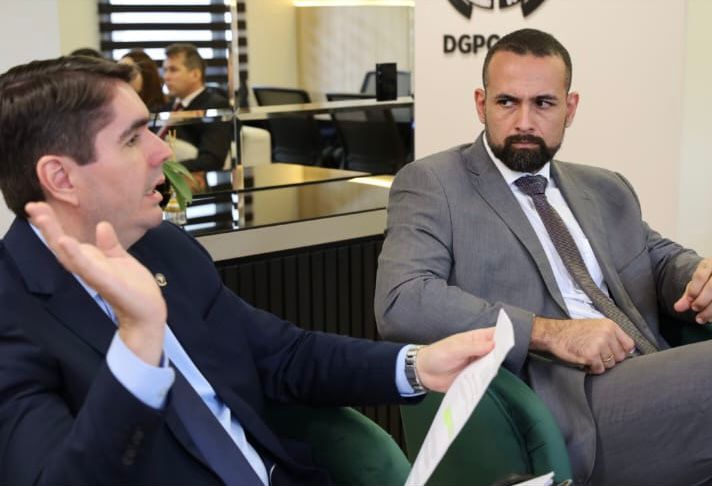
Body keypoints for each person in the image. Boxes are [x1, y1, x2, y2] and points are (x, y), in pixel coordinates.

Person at [0, 55, 496, 486]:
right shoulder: (11, 312)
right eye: (132, 138)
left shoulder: (162, 246)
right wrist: (138, 344)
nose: (162, 150)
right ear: (61, 177)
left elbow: (280, 354)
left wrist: (416, 365)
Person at [375, 28, 712, 486]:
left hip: (651, 371)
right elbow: (402, 300)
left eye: (543, 103)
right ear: (481, 104)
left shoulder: (604, 187)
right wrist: (548, 333)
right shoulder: (434, 183)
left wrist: (711, 277)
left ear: (570, 108)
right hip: (563, 404)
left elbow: (660, 261)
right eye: (507, 102)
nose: (524, 121)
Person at [162, 42, 232, 172]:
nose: (166, 77)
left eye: (173, 70)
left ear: (195, 74)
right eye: (165, 70)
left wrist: (165, 171)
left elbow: (212, 159)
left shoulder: (215, 106)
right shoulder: (165, 106)